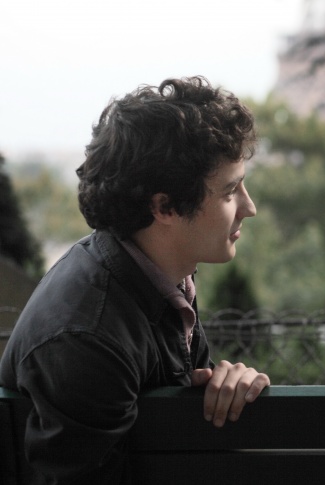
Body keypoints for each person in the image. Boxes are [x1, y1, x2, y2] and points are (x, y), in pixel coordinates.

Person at [0, 76, 270, 483]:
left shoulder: (161, 276)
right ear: (164, 207)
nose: (249, 208)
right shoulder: (87, 339)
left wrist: (224, 388)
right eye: (230, 191)